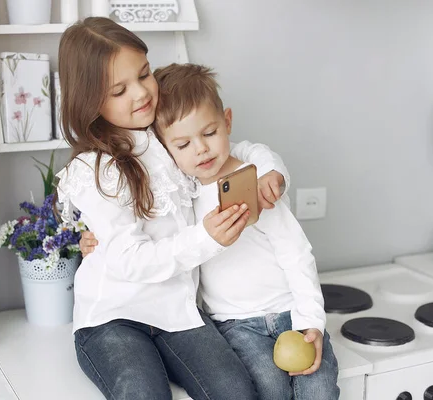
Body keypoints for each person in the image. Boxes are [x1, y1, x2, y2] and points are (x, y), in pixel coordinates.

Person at [55, 18, 290, 400]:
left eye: (144, 74)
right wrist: (206, 238)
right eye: (119, 90)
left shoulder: (167, 133)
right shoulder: (95, 169)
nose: (141, 93)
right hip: (115, 318)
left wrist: (269, 170)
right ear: (91, 101)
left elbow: (242, 149)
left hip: (178, 314)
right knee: (143, 393)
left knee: (236, 392)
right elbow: (129, 260)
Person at [81, 63, 340, 400]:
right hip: (233, 325)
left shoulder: (254, 184)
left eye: (209, 133)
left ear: (227, 122)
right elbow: (147, 235)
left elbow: (297, 254)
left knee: (319, 389)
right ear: (165, 150)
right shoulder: (180, 193)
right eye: (183, 143)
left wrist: (311, 321)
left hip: (291, 311)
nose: (200, 149)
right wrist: (94, 241)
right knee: (268, 389)